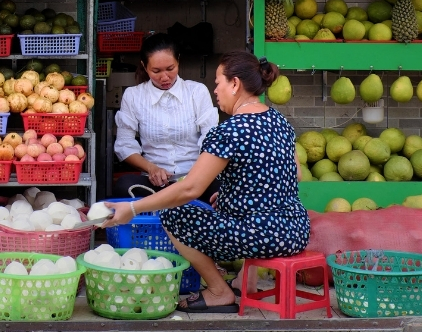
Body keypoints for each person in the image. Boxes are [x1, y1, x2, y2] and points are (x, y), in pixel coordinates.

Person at [103, 51, 310, 314]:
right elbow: (296, 175)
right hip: (295, 231)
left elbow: (190, 188)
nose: (215, 91)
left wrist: (132, 208)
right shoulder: (280, 121)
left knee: (174, 214)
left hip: (261, 235)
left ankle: (218, 291)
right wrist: (232, 193)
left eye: (218, 82)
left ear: (234, 84)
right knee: (242, 211)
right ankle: (246, 282)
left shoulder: (229, 130)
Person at [112, 34, 220, 203]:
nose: (164, 77)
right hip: (155, 185)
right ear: (144, 66)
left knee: (221, 189)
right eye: (156, 71)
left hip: (195, 181)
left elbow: (211, 140)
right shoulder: (133, 96)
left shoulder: (197, 92)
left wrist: (195, 176)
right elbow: (124, 145)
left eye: (170, 68)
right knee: (124, 185)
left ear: (178, 61)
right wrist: (151, 169)